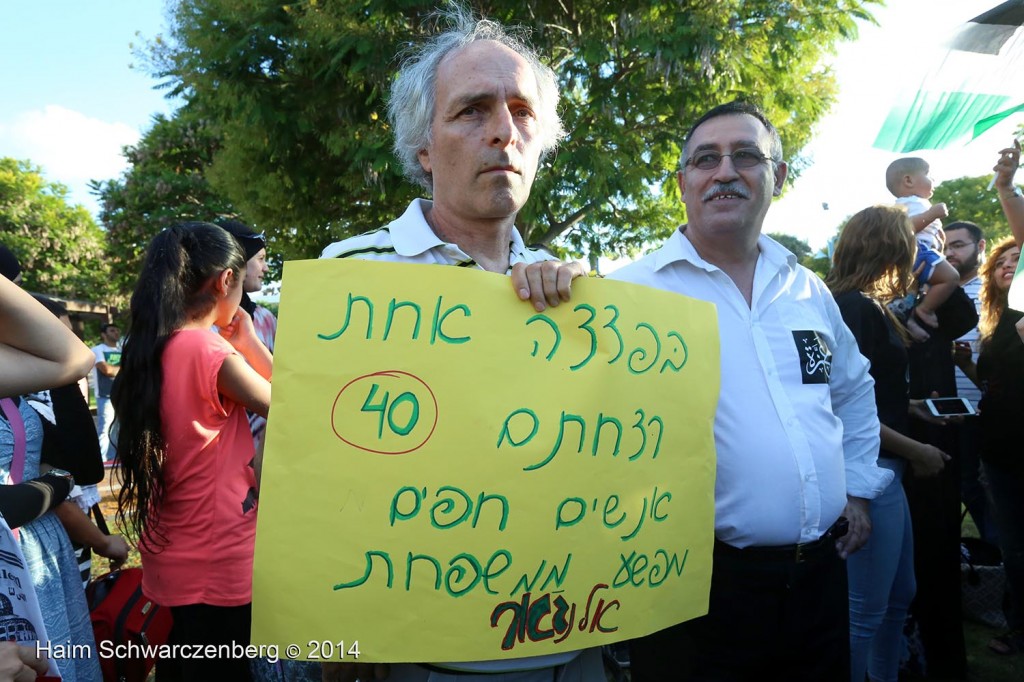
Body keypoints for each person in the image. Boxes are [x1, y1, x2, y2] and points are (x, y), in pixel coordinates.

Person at [317, 6, 596, 682]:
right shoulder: (352, 278)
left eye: (523, 112)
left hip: (572, 639)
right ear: (422, 147)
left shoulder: (579, 294)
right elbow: (314, 476)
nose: (503, 130)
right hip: (419, 653)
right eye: (473, 110)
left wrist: (589, 326)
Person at [607, 101, 891, 681]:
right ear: (683, 181)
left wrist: (858, 488)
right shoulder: (630, 293)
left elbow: (853, 391)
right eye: (705, 159)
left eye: (745, 156)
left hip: (820, 580)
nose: (725, 171)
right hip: (698, 592)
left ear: (777, 176)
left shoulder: (807, 290)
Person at [113, 222, 273, 681]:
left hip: (174, 541)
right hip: (217, 548)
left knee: (187, 657)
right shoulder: (209, 350)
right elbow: (288, 403)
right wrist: (250, 342)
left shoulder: (154, 347)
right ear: (226, 281)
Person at [826, 205, 952, 682]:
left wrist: (912, 405)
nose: (917, 259)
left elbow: (870, 392)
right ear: (890, 248)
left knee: (898, 596)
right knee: (863, 613)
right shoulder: (852, 306)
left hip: (884, 469)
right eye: (910, 247)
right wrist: (916, 449)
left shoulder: (864, 303)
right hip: (866, 475)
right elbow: (841, 409)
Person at [963, 138, 1024, 656]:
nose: (1011, 265)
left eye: (1019, 259)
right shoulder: (995, 323)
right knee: (1015, 549)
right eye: (1004, 261)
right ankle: (1018, 628)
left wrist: (1005, 188)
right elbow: (995, 385)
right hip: (1000, 452)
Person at [945, 221, 998, 544]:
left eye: (959, 245)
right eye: (945, 246)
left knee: (985, 488)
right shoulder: (937, 290)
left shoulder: (995, 289)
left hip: (987, 411)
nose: (950, 252)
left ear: (980, 247)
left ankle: (1000, 556)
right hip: (944, 412)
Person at [218, 219, 278, 454]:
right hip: (229, 455)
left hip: (267, 450)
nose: (266, 268)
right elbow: (283, 400)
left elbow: (280, 375)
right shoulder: (205, 331)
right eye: (261, 259)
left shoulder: (265, 319)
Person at [884, 157, 960, 342]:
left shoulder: (914, 203)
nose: (933, 180)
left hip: (923, 251)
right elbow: (905, 229)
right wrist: (932, 214)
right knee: (951, 278)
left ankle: (908, 319)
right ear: (908, 180)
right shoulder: (907, 203)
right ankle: (924, 310)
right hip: (916, 251)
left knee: (913, 292)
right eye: (928, 175)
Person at [91, 322, 122, 464]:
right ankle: (100, 460)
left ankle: (112, 459)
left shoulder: (122, 349)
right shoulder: (97, 350)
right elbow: (106, 370)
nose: (116, 332)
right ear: (103, 334)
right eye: (112, 330)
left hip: (122, 395)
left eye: (117, 330)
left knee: (118, 429)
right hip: (106, 396)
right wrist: (125, 368)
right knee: (105, 429)